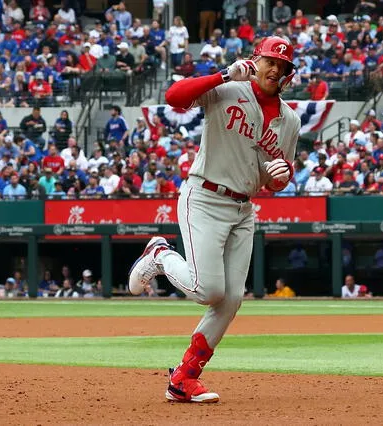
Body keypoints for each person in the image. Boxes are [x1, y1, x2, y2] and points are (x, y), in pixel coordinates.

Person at [128, 37, 300, 403]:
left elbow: (280, 173)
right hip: (204, 197)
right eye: (270, 60)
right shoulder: (228, 89)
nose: (274, 69)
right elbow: (174, 97)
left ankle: (184, 377)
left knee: (232, 298)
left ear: (287, 73)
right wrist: (222, 75)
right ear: (256, 60)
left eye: (282, 65)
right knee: (209, 291)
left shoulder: (291, 120)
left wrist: (283, 176)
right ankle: (160, 255)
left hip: (243, 208)